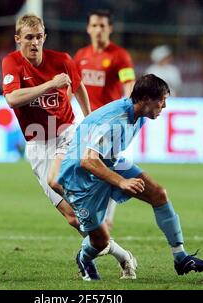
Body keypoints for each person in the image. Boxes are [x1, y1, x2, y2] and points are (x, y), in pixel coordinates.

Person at [2, 14, 136, 279]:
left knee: (59, 182)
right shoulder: (12, 63)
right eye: (28, 37)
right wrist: (50, 84)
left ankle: (105, 191)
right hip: (38, 145)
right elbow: (13, 99)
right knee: (75, 219)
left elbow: (79, 87)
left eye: (39, 37)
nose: (34, 43)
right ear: (18, 39)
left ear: (45, 37)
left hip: (67, 134)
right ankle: (123, 256)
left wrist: (89, 119)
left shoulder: (62, 59)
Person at [57, 74, 203, 280]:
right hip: (80, 178)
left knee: (158, 194)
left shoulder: (138, 114)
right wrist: (121, 181)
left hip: (110, 161)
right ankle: (84, 259)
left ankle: (181, 257)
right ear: (147, 99)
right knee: (100, 242)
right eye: (162, 100)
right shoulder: (116, 121)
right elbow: (87, 160)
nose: (164, 106)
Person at [74, 9, 136, 229]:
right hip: (85, 121)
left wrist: (127, 109)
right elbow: (74, 86)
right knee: (85, 167)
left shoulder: (119, 55)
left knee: (104, 168)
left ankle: (106, 218)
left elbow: (129, 83)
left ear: (109, 29)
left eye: (103, 26)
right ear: (88, 28)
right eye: (95, 25)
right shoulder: (81, 56)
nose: (98, 30)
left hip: (109, 123)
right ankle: (94, 213)